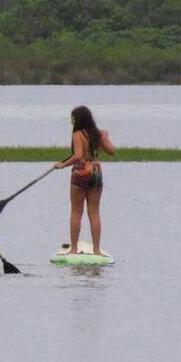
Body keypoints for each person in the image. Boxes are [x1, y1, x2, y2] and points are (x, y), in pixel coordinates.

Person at [53, 105, 116, 256]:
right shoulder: (97, 134)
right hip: (96, 172)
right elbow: (112, 150)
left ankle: (74, 249)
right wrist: (104, 137)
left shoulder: (78, 134)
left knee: (76, 212)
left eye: (72, 119)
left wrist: (62, 165)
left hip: (81, 172)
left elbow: (78, 155)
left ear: (79, 120)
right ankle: (97, 250)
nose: (71, 122)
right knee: (94, 212)